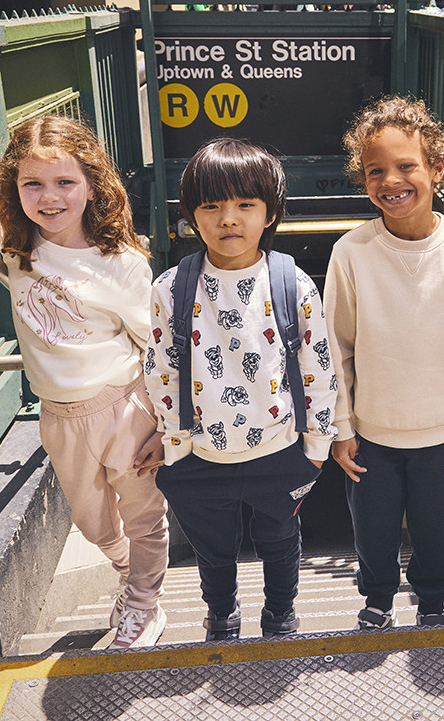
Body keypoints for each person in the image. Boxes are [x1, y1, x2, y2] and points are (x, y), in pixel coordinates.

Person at [0, 115, 169, 649]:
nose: (50, 197)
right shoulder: (11, 244)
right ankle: (127, 574)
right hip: (60, 415)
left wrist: (169, 424)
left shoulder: (120, 264)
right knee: (93, 522)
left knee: (144, 513)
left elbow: (161, 347)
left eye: (65, 182)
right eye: (33, 184)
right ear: (15, 187)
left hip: (124, 406)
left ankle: (144, 601)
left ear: (92, 185)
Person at [145, 138, 336, 640]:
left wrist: (317, 447)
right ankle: (222, 614)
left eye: (245, 205)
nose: (229, 219)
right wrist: (175, 444)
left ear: (270, 212)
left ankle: (279, 613)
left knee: (279, 539)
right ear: (192, 215)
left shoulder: (291, 282)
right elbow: (161, 367)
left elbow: (316, 363)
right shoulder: (171, 288)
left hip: (279, 449)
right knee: (213, 549)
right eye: (212, 206)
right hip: (200, 454)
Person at [323, 95, 444, 630]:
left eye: (407, 166)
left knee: (438, 529)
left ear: (437, 168)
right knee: (371, 529)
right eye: (376, 170)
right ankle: (376, 599)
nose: (391, 181)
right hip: (371, 434)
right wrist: (340, 425)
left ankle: (431, 601)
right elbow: (336, 348)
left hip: (442, 435)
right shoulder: (351, 252)